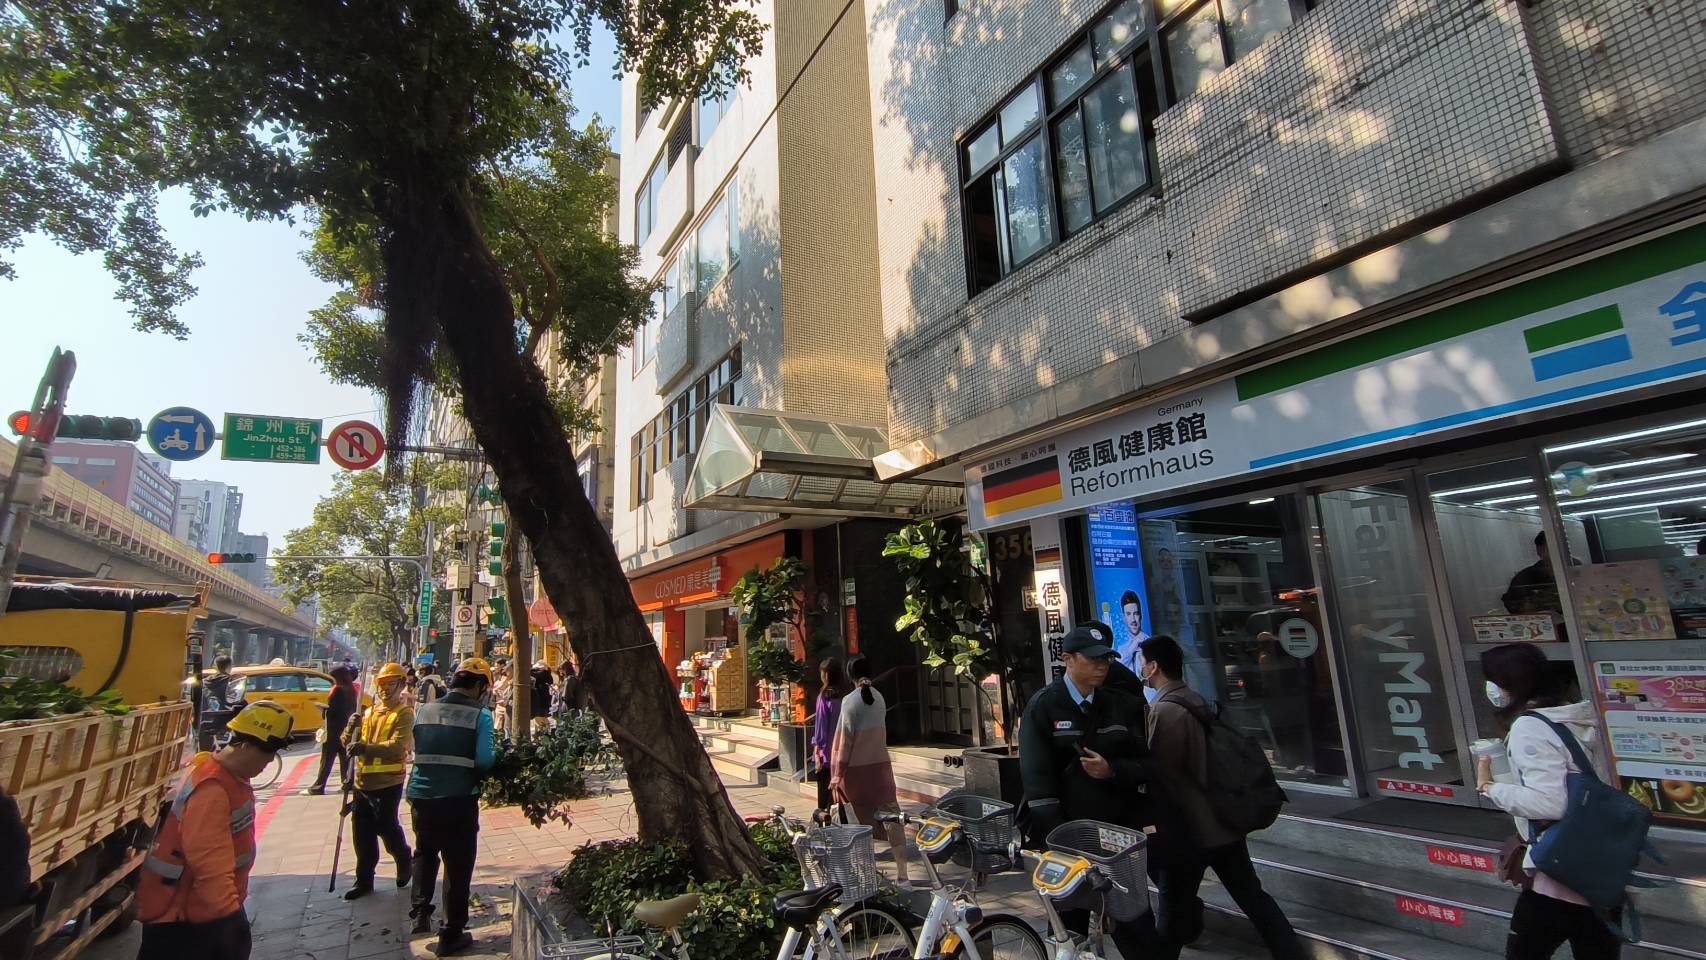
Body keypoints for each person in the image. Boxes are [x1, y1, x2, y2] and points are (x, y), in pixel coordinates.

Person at [1141, 634, 1303, 960]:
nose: (1141, 668)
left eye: (1143, 662)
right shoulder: (1196, 699)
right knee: (1252, 897)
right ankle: (1292, 953)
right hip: (1223, 820)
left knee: (1172, 908)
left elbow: (1163, 773)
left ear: (1154, 666)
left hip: (1191, 828)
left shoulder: (1165, 710)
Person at [1018, 622, 1164, 957]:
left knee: (1137, 927)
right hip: (1069, 841)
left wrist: (1112, 770)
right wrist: (1058, 843)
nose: (1102, 665)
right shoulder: (1044, 706)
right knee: (1069, 932)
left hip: (1116, 840)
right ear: (1068, 659)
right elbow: (1038, 785)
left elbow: (1147, 764)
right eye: (1093, 658)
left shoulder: (1119, 704)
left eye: (1106, 659)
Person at [1476, 642, 1620, 960]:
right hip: (1602, 864)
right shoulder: (1576, 715)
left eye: (1492, 680)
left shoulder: (1530, 727)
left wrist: (1490, 787)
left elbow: (1550, 803)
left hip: (1559, 873)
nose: (1490, 688)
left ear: (1510, 682)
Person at [135, 701, 293, 960]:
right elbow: (209, 863)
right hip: (186, 918)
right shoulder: (213, 790)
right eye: (268, 753)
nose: (269, 760)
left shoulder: (227, 776)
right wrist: (229, 917)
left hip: (200, 910)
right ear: (245, 746)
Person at [407, 657, 496, 955]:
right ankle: (451, 933)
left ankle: (420, 912)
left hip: (421, 795)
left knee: (425, 852)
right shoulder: (481, 715)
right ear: (480, 685)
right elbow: (485, 760)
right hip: (459, 797)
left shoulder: (424, 710)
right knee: (458, 865)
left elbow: (417, 747)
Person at [830, 656, 913, 888]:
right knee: (893, 819)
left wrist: (837, 774)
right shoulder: (879, 698)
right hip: (881, 768)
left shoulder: (849, 701)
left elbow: (844, 741)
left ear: (850, 675)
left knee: (859, 826)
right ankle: (903, 875)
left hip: (856, 773)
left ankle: (866, 878)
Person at [342, 662, 415, 901]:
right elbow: (348, 745)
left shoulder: (404, 714)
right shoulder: (368, 713)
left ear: (401, 685)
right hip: (362, 783)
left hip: (388, 782)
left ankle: (403, 856)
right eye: (382, 684)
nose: (385, 689)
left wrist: (365, 748)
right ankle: (364, 880)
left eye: (391, 684)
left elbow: (398, 747)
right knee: (362, 834)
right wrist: (349, 729)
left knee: (386, 827)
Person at [303, 665, 358, 795]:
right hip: (345, 729)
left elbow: (333, 711)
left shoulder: (337, 690)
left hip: (333, 730)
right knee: (345, 758)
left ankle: (318, 786)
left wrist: (324, 710)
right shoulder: (351, 690)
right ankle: (347, 783)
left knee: (326, 760)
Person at [811, 658, 849, 813]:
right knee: (841, 799)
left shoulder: (824, 697)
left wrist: (817, 750)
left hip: (827, 754)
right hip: (844, 752)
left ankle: (826, 824)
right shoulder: (846, 696)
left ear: (826, 674)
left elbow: (821, 726)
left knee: (825, 798)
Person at [1503, 532, 1568, 617]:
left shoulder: (1576, 568)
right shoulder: (1525, 577)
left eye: (1560, 546)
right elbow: (1513, 605)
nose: (1557, 552)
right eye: (1549, 548)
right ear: (1539, 551)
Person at [1116, 590, 1150, 670]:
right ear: (1123, 617)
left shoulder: (1150, 644)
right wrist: (1132, 649)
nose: (1133, 619)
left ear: (1140, 615)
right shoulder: (1121, 649)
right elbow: (1116, 668)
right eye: (1128, 614)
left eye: (1136, 614)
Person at [529, 661, 553, 733]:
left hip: (540, 700)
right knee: (541, 718)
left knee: (540, 718)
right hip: (544, 700)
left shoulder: (542, 674)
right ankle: (542, 733)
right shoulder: (547, 674)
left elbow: (533, 674)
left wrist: (532, 669)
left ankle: (543, 734)